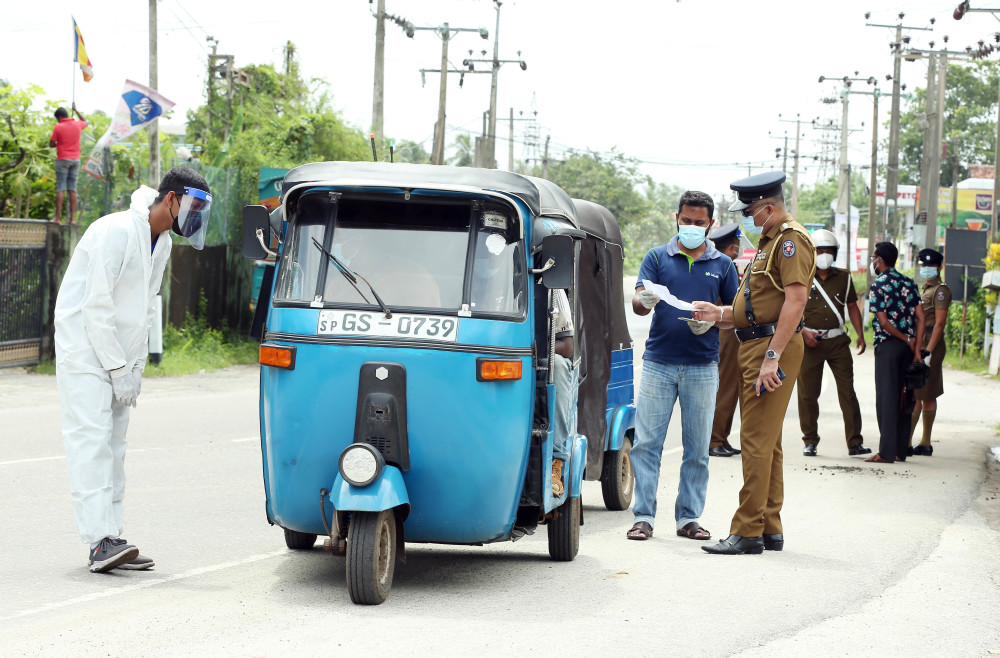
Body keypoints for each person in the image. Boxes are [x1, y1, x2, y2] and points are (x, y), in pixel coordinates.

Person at [55, 166, 212, 573]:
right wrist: (116, 366)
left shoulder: (161, 244)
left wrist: (134, 368)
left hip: (119, 359)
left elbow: (145, 308)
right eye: (194, 207)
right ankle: (97, 542)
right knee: (90, 442)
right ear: (172, 199)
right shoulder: (115, 231)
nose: (195, 218)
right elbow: (96, 305)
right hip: (86, 352)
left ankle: (112, 537)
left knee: (115, 448)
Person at [692, 171, 816, 556]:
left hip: (769, 348)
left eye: (749, 211)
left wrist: (772, 358)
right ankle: (768, 527)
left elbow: (795, 304)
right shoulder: (770, 241)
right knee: (769, 441)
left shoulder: (791, 241)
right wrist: (720, 314)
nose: (746, 218)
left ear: (767, 207)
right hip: (756, 343)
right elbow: (758, 306)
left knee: (754, 441)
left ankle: (746, 531)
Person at [626, 190, 739, 542]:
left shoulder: (722, 265)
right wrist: (643, 299)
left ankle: (688, 518)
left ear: (711, 224)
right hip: (659, 362)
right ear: (677, 218)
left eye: (699, 223)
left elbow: (736, 314)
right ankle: (643, 517)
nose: (692, 227)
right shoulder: (657, 257)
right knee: (646, 444)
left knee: (697, 447)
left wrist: (715, 318)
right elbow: (639, 305)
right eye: (686, 221)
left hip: (703, 366)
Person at [797, 229, 871, 457]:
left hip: (838, 341)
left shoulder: (844, 278)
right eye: (820, 250)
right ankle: (810, 440)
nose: (824, 255)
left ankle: (854, 442)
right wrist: (802, 333)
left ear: (835, 253)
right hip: (810, 342)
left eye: (828, 251)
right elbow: (792, 308)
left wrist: (860, 334)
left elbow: (852, 307)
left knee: (847, 392)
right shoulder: (801, 276)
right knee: (808, 394)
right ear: (812, 253)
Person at [864, 241, 925, 464]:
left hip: (889, 346)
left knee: (887, 399)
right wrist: (915, 347)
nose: (872, 260)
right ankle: (900, 450)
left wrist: (904, 338)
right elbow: (921, 317)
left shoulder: (879, 285)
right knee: (904, 397)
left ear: (879, 260)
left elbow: (882, 320)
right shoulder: (909, 283)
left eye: (873, 257)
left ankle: (886, 453)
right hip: (908, 349)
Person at [707, 223, 744, 458]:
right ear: (733, 247)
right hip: (726, 332)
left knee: (730, 386)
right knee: (726, 387)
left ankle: (721, 437)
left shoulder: (718, 263)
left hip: (727, 331)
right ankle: (714, 440)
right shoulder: (725, 264)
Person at [910, 248, 950, 456]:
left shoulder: (940, 291)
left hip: (930, 344)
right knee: (917, 391)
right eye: (923, 265)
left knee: (927, 392)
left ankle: (924, 442)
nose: (926, 269)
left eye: (931, 266)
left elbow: (939, 324)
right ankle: (908, 440)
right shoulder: (924, 288)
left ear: (939, 267)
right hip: (921, 343)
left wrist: (929, 351)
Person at [549, 288, 577, 496]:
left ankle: (555, 460)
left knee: (557, 364)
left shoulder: (552, 290)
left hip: (534, 355)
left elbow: (567, 347)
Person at [49, 104, 88, 225]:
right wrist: (76, 110)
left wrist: (59, 144)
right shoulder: (77, 124)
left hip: (63, 160)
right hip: (75, 160)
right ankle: (72, 219)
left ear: (59, 117)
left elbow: (51, 143)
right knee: (72, 189)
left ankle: (57, 218)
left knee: (61, 188)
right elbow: (85, 121)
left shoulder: (58, 126)